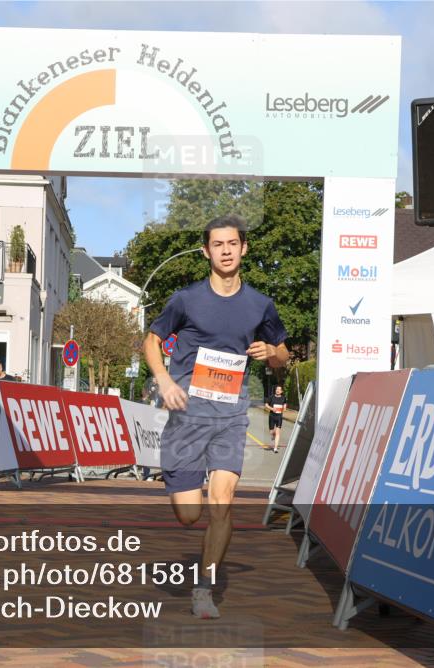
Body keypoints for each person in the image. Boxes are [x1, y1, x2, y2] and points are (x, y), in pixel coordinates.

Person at [143, 214, 289, 619]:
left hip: (231, 414)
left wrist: (271, 354)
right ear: (206, 251)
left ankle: (204, 589)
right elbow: (151, 341)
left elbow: (283, 355)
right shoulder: (186, 299)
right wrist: (165, 381)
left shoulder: (261, 305)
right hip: (187, 415)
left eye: (232, 244)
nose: (225, 251)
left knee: (222, 502)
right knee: (190, 515)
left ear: (243, 248)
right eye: (217, 245)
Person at [264, 385, 287, 453]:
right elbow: (266, 404)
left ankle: (275, 448)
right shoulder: (272, 397)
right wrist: (272, 409)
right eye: (277, 389)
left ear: (281, 391)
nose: (278, 390)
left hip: (279, 417)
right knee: (271, 432)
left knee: (278, 432)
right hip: (272, 416)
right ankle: (272, 435)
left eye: (279, 389)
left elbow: (285, 405)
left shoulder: (283, 398)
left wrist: (284, 408)